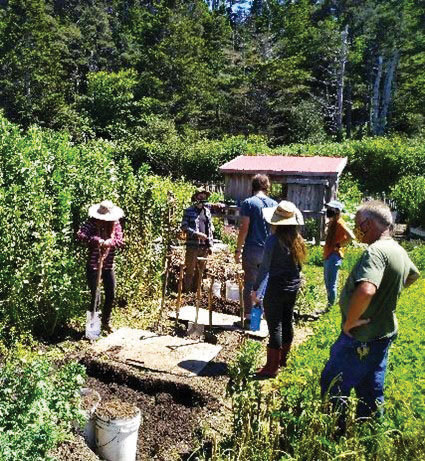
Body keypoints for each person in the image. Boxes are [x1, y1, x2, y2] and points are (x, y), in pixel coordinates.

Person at [320, 200, 420, 427]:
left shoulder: (375, 252)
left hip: (359, 336)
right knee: (370, 387)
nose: (356, 229)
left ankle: (334, 432)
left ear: (368, 223)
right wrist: (389, 292)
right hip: (382, 333)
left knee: (333, 383)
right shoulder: (398, 250)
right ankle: (370, 433)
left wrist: (351, 321)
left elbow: (366, 290)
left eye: (358, 224)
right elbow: (413, 275)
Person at [251, 201, 306, 379]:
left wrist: (255, 288)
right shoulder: (298, 239)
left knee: (275, 324)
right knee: (287, 319)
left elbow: (265, 267)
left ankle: (271, 367)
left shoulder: (273, 240)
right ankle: (283, 359)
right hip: (292, 286)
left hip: (277, 286)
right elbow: (299, 266)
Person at [235, 174, 277, 323]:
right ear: (267, 187)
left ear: (252, 186)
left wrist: (238, 250)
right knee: (263, 285)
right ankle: (257, 320)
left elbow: (244, 228)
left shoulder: (249, 203)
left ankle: (248, 320)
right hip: (269, 250)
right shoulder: (274, 204)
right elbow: (275, 229)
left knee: (250, 284)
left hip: (252, 250)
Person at [77, 200, 124, 334]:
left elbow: (120, 240)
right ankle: (92, 329)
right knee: (96, 296)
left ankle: (106, 322)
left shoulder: (115, 224)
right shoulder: (91, 223)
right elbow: (80, 234)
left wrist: (110, 242)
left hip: (108, 265)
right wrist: (97, 240)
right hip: (94, 265)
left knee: (111, 293)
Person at [181, 188, 223, 293]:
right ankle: (187, 293)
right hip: (193, 245)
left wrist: (210, 245)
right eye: (200, 195)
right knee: (190, 271)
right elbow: (184, 227)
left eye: (204, 196)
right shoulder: (188, 210)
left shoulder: (207, 211)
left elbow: (209, 229)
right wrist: (196, 234)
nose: (202, 197)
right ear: (196, 197)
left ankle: (197, 294)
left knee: (201, 272)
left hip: (204, 247)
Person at [323, 200, 354, 308]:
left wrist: (339, 245)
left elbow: (351, 236)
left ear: (337, 211)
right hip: (329, 255)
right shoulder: (333, 222)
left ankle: (329, 307)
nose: (328, 211)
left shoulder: (340, 223)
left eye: (331, 209)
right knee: (328, 283)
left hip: (333, 256)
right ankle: (329, 305)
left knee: (331, 284)